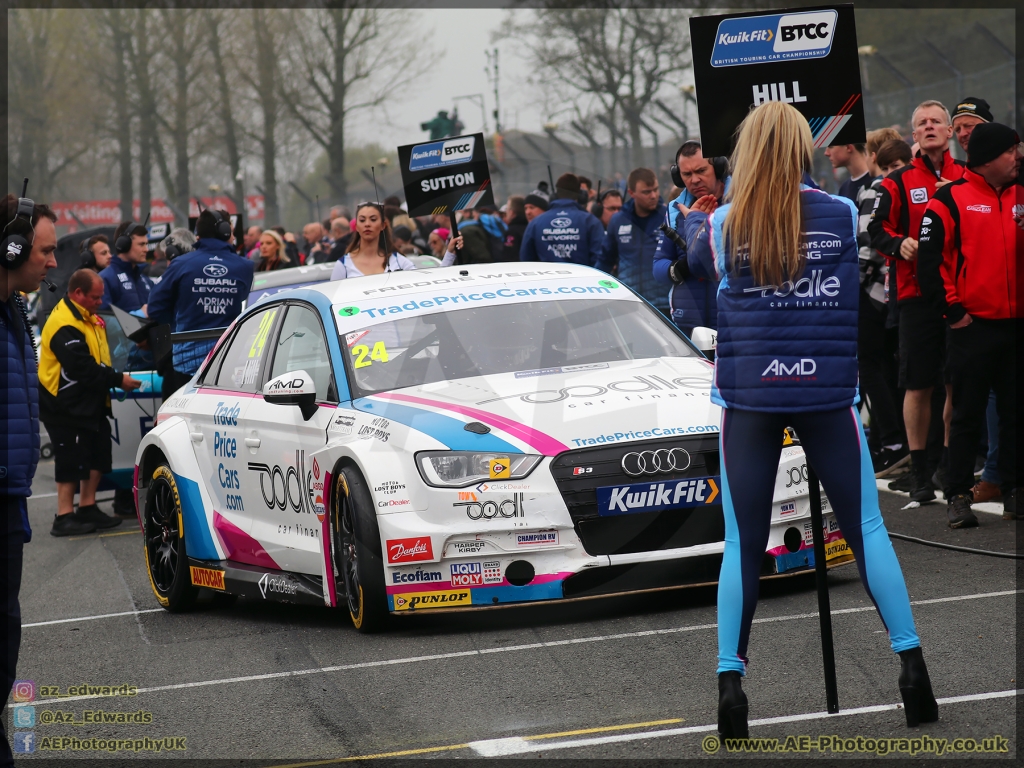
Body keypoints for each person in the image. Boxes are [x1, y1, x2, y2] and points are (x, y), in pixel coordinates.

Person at [708, 100, 936, 739]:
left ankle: (732, 688)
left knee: (742, 543)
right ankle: (912, 667)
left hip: (749, 401)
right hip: (826, 392)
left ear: (749, 153)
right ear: (802, 150)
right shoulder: (840, 213)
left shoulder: (725, 222)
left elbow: (726, 279)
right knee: (867, 529)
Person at [917, 123, 1021, 526]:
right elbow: (929, 263)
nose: (1017, 157)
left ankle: (1013, 488)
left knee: (1015, 413)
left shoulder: (1020, 193)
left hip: (1016, 326)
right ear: (990, 158)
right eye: (1011, 151)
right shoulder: (948, 199)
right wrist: (955, 313)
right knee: (966, 414)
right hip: (971, 326)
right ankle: (958, 494)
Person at [868, 100, 965, 502]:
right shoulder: (898, 181)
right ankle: (920, 469)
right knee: (918, 384)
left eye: (935, 122)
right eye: (921, 123)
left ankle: (950, 465)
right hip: (914, 297)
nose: (929, 127)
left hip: (960, 295)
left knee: (955, 383)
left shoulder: (966, 176)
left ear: (949, 131)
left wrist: (954, 196)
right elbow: (876, 230)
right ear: (913, 136)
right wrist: (899, 243)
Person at [1, 191, 58, 764]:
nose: (52, 261)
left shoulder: (15, 309)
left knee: (7, 630)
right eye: (43, 251)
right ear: (10, 249)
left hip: (11, 492)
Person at [38, 269, 142, 535]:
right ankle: (64, 516)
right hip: (64, 403)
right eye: (95, 297)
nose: (100, 302)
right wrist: (119, 380)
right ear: (78, 294)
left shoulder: (89, 317)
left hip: (90, 400)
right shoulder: (64, 323)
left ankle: (87, 506)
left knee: (98, 454)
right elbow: (82, 367)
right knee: (69, 459)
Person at [146, 209, 255, 395]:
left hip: (186, 362)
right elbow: (244, 298)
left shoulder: (181, 264)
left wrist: (179, 320)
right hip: (226, 361)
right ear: (224, 231)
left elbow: (155, 308)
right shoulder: (245, 266)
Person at [857, 138, 914, 475]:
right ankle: (889, 440)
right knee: (888, 369)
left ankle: (893, 442)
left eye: (900, 165)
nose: (895, 172)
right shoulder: (895, 188)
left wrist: (857, 288)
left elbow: (868, 246)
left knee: (873, 367)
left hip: (878, 295)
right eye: (891, 167)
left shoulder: (875, 189)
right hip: (893, 294)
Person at [653, 141, 728, 335]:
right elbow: (658, 266)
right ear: (678, 177)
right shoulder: (675, 210)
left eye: (701, 171)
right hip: (687, 323)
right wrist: (682, 268)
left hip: (732, 319)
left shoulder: (741, 202)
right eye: (687, 174)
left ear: (719, 168)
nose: (694, 180)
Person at [595, 168, 669, 313]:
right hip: (628, 304)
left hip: (663, 305)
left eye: (655, 189)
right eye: (646, 192)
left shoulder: (668, 217)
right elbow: (605, 260)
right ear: (631, 193)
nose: (653, 195)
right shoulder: (618, 220)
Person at [330, 202, 460, 279]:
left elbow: (428, 284)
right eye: (362, 220)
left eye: (373, 219)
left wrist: (449, 253)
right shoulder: (343, 266)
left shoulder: (398, 261)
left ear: (383, 225)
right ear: (356, 227)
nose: (367, 224)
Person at [520, 173, 604, 266]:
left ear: (555, 195)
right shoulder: (590, 221)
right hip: (582, 279)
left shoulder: (536, 223)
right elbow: (600, 259)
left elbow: (526, 260)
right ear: (580, 195)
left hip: (547, 279)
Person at [100, 220, 154, 314]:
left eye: (146, 244)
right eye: (141, 244)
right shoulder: (105, 279)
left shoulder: (147, 282)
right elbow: (102, 319)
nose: (146, 249)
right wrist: (139, 317)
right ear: (124, 244)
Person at [501, 195, 528, 262]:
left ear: (512, 212)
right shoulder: (530, 227)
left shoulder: (512, 231)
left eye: (507, 209)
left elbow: (509, 255)